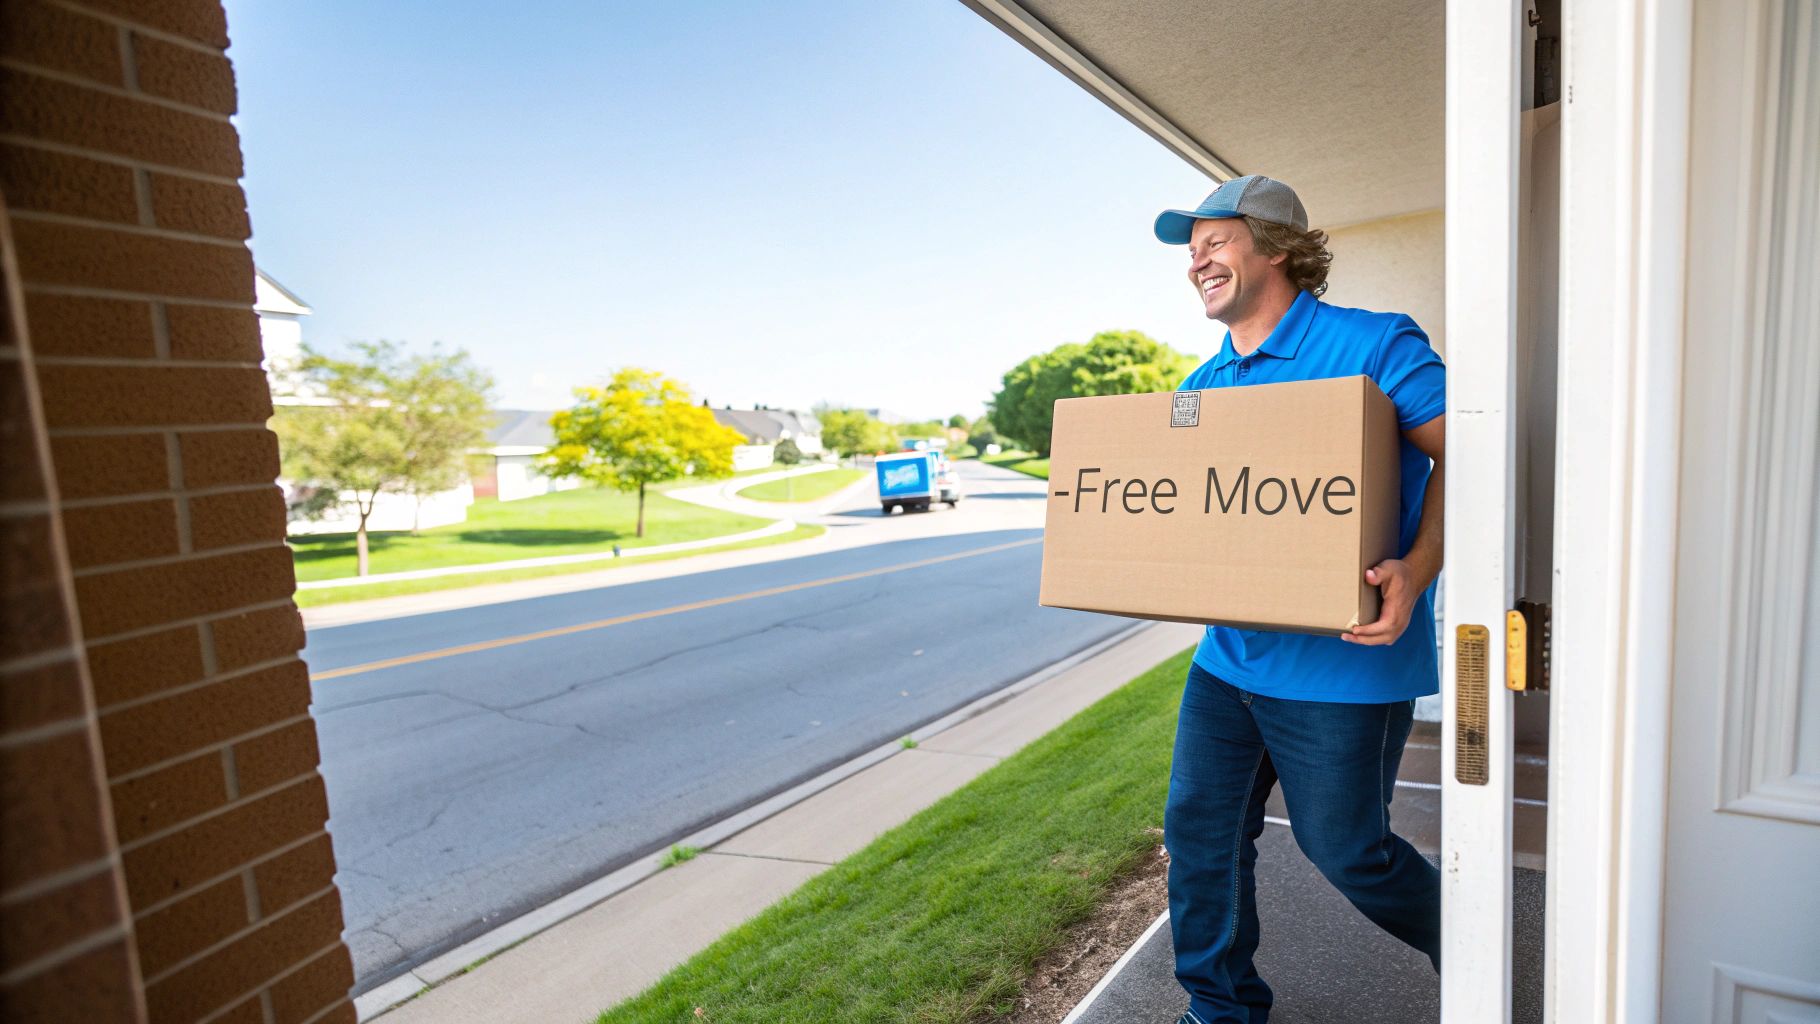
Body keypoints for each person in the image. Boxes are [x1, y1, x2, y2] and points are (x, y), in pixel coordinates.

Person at [1152, 175, 1446, 1024]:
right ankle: (1220, 1007)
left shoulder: (1375, 345)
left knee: (1348, 850)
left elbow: (1475, 457)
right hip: (1228, 660)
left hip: (1342, 661)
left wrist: (1420, 566)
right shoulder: (1202, 383)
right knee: (1200, 836)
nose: (1197, 259)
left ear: (1277, 247)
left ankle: (1475, 953)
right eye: (1191, 247)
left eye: (1215, 239)